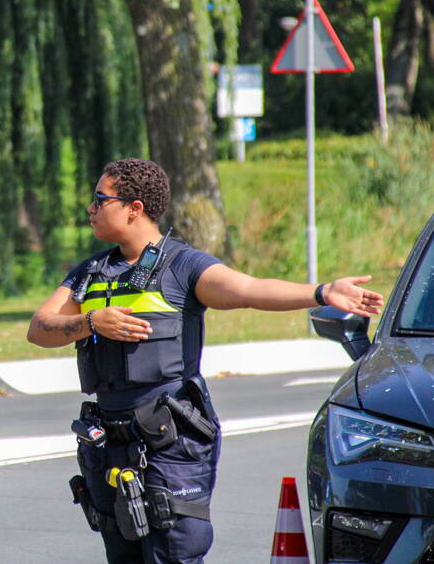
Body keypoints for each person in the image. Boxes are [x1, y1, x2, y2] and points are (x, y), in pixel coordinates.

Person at [26, 158, 383, 564]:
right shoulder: (90, 272)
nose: (90, 208)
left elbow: (249, 289)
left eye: (99, 199)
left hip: (169, 441)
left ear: (134, 208)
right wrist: (91, 321)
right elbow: (39, 327)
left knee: (175, 551)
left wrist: (320, 292)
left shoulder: (182, 265)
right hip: (110, 441)